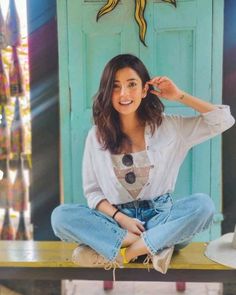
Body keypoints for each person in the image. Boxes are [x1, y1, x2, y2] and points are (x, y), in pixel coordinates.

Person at [51, 54, 235, 276]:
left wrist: (179, 96)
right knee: (60, 217)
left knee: (203, 205)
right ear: (107, 92)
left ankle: (128, 252)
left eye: (131, 84)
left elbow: (224, 120)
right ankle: (150, 245)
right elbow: (93, 193)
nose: (124, 94)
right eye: (116, 86)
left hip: (163, 218)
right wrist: (122, 220)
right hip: (119, 222)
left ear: (145, 90)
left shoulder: (170, 128)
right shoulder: (96, 136)